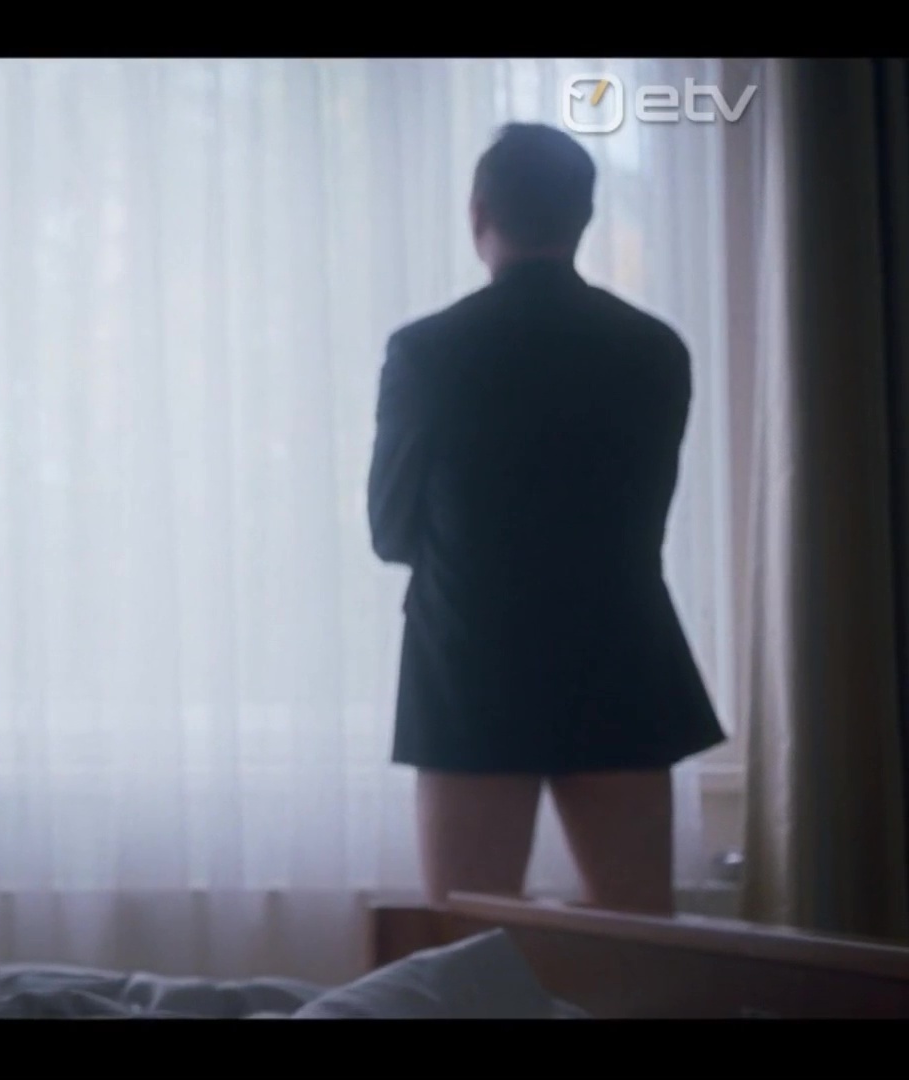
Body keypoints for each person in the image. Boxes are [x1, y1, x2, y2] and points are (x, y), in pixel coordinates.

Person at [367, 122, 724, 916]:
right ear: (583, 216)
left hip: (471, 659)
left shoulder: (428, 351)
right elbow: (646, 511)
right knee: (638, 941)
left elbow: (389, 530)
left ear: (478, 211)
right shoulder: (654, 349)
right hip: (620, 651)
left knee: (469, 942)